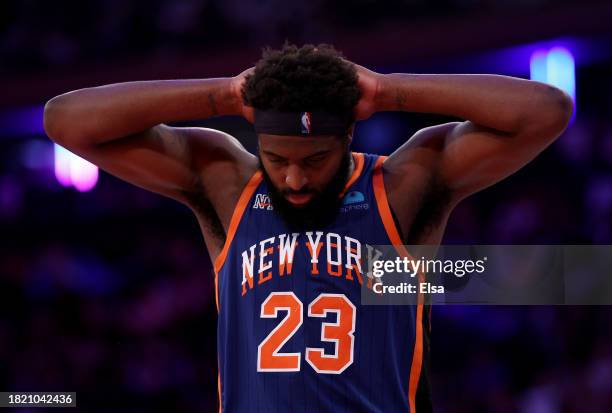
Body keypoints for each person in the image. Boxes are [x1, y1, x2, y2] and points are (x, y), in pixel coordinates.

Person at [43, 43, 573, 412]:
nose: (295, 177)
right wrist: (226, 95)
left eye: (316, 159)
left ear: (348, 138)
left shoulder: (403, 184)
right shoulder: (227, 185)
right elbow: (66, 120)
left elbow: (546, 110)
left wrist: (386, 90)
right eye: (277, 158)